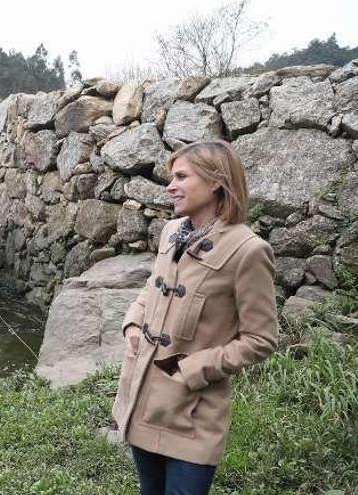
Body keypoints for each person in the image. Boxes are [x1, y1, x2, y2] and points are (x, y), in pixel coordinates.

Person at [112, 140, 279, 494]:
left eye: (181, 176)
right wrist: (132, 323)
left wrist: (192, 369)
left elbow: (261, 339)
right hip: (143, 396)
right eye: (171, 177)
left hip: (192, 412)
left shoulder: (248, 250)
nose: (170, 186)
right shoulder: (172, 231)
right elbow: (153, 287)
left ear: (216, 180)